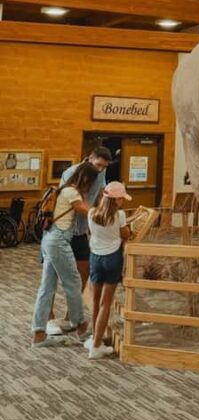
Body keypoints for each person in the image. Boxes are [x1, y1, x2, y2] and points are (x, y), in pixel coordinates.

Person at [47, 146, 112, 335]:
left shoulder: (101, 172)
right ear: (89, 158)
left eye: (104, 166)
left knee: (83, 272)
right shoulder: (71, 173)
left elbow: (100, 194)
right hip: (62, 231)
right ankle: (48, 319)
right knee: (51, 275)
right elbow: (76, 204)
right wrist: (102, 216)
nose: (101, 169)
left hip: (81, 231)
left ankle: (71, 317)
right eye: (98, 165)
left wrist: (105, 209)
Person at [31, 162, 97, 347]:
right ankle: (81, 326)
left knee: (47, 287)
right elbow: (86, 211)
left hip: (50, 239)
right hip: (59, 241)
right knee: (73, 282)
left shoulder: (64, 190)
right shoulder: (72, 192)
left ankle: (39, 334)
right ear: (86, 178)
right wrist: (107, 212)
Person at [85, 181, 131, 360]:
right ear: (116, 199)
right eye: (121, 198)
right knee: (106, 304)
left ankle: (94, 338)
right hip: (112, 258)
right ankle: (97, 346)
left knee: (95, 301)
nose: (123, 202)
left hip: (95, 258)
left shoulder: (91, 213)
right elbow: (125, 234)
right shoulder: (120, 215)